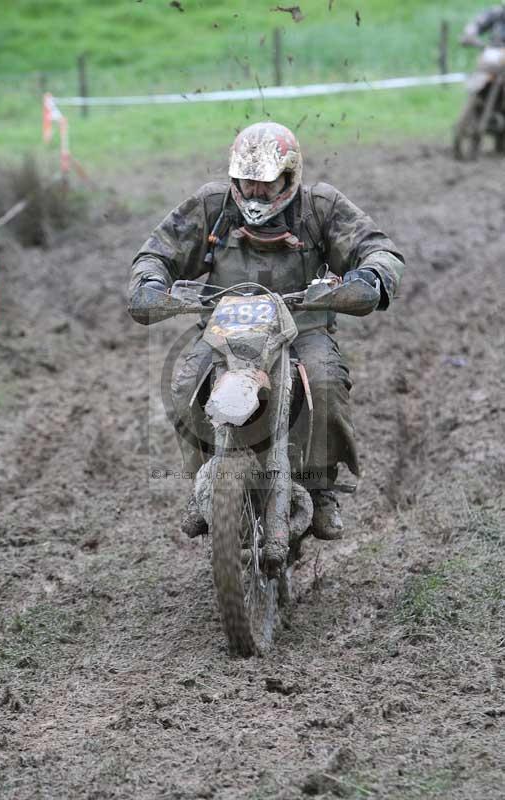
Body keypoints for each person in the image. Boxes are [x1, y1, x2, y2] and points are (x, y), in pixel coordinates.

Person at [128, 122, 404, 541]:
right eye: (246, 182)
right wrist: (150, 282)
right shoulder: (212, 205)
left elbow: (378, 247)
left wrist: (372, 276)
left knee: (326, 386)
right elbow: (157, 252)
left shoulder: (320, 206)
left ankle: (320, 485)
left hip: (303, 328)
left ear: (289, 177)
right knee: (184, 387)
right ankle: (206, 481)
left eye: (264, 183)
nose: (254, 192)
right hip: (226, 329)